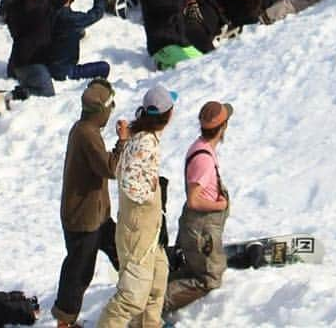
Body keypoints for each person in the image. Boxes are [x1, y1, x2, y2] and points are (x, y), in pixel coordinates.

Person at [96, 83, 176, 328]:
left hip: (149, 230)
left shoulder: (144, 136)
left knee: (157, 281)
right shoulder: (145, 143)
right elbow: (128, 180)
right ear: (167, 115)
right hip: (138, 231)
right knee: (132, 297)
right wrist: (150, 193)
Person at [52, 78, 127, 328]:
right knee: (79, 271)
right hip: (84, 219)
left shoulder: (85, 130)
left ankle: (138, 295)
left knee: (122, 250)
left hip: (96, 216)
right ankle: (65, 321)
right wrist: (122, 142)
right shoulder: (86, 134)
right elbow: (110, 168)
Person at [164, 101, 233, 317]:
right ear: (223, 127)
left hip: (198, 228)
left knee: (194, 269)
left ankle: (153, 293)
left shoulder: (201, 148)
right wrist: (220, 204)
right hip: (201, 230)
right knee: (207, 279)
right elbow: (194, 200)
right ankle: (153, 307)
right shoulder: (203, 159)